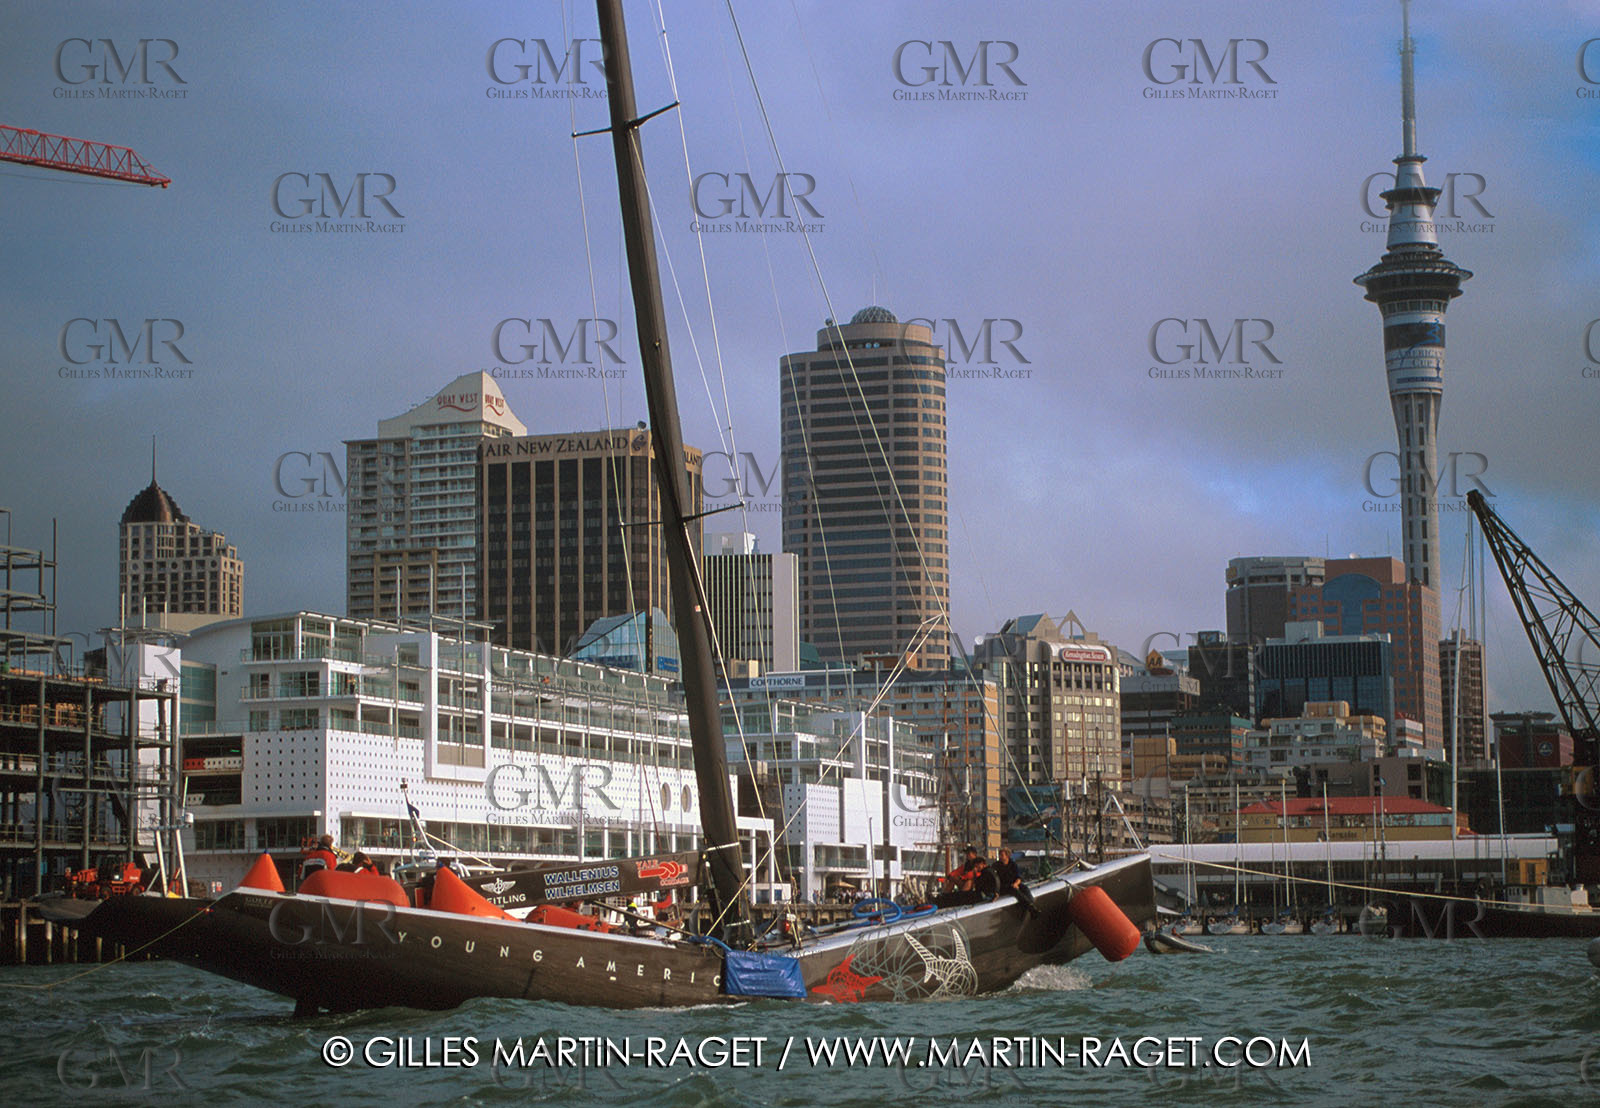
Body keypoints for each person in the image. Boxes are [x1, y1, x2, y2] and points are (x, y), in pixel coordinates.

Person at [994, 847, 1039, 916]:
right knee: (1015, 891)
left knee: (1025, 889)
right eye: (1000, 855)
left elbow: (1018, 877)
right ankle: (1030, 908)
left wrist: (1016, 884)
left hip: (1014, 883)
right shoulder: (996, 865)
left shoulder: (1013, 864)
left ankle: (1032, 905)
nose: (1000, 857)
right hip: (1004, 886)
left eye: (1002, 855)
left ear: (1007, 856)